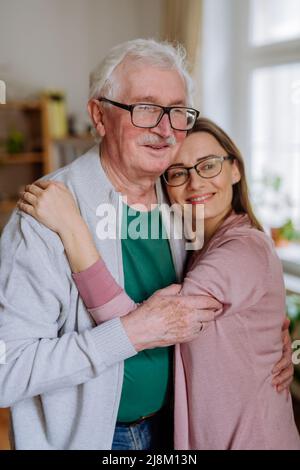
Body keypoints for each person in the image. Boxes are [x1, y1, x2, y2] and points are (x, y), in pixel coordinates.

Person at [0, 39, 293, 450]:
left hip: (177, 429)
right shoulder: (44, 217)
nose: (165, 128)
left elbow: (233, 289)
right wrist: (130, 334)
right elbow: (6, 369)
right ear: (99, 116)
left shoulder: (183, 195)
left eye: (177, 111)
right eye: (146, 109)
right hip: (95, 440)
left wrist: (279, 339)